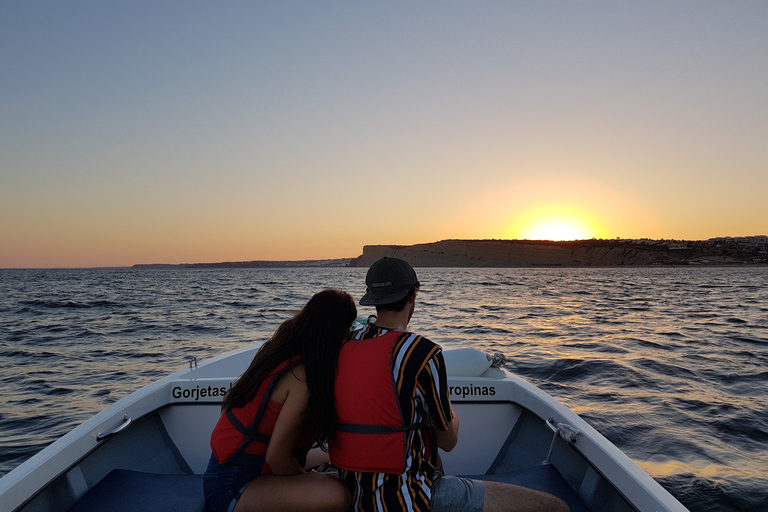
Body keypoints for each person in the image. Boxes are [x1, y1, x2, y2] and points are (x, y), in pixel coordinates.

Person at [329, 258, 569, 512]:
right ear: (413, 295)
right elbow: (448, 440)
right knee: (555, 507)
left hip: (353, 493)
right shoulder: (421, 353)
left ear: (373, 299)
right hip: (409, 498)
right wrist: (447, 409)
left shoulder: (344, 345)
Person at [203, 289, 356, 512]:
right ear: (335, 332)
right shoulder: (301, 377)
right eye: (349, 329)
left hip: (256, 467)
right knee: (339, 492)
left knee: (335, 456)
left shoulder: (280, 352)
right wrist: (307, 480)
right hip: (231, 487)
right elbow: (277, 458)